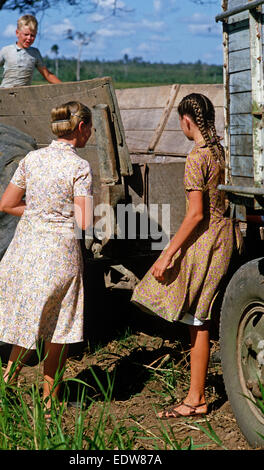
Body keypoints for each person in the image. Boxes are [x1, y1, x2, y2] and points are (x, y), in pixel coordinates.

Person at [0, 101, 93, 415]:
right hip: (61, 250)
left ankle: (8, 382)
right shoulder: (79, 167)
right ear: (81, 128)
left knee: (29, 317)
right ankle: (50, 401)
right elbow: (84, 221)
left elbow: (8, 204)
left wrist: (37, 213)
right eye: (89, 128)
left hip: (29, 247)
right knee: (60, 326)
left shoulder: (31, 159)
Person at [131, 93, 236, 419]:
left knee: (197, 320)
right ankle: (198, 394)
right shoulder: (220, 151)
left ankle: (196, 399)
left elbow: (194, 215)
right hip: (226, 235)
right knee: (200, 317)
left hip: (206, 239)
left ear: (187, 121)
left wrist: (167, 255)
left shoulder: (196, 158)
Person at [0, 14, 61, 90]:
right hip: (4, 92)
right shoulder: (6, 50)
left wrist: (68, 88)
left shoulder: (35, 53)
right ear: (17, 33)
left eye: (32, 35)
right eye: (26, 34)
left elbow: (47, 75)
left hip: (24, 96)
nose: (29, 38)